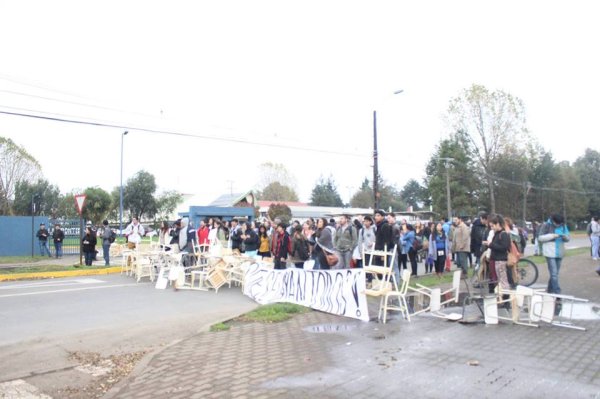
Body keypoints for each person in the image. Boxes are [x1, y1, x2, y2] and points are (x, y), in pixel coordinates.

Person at [538, 214, 570, 295]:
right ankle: (557, 291)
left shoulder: (563, 226)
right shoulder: (546, 225)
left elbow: (568, 238)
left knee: (555, 273)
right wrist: (552, 236)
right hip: (550, 252)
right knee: (554, 274)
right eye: (557, 223)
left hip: (560, 252)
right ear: (553, 220)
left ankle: (550, 289)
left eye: (560, 223)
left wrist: (564, 237)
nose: (558, 225)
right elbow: (540, 238)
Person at [483, 215, 511, 292]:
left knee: (503, 281)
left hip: (501, 260)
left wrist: (490, 244)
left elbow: (504, 247)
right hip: (496, 260)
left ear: (498, 224)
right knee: (500, 281)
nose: (491, 228)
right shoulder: (497, 234)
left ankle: (506, 300)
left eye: (492, 226)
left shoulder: (503, 234)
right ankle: (502, 298)